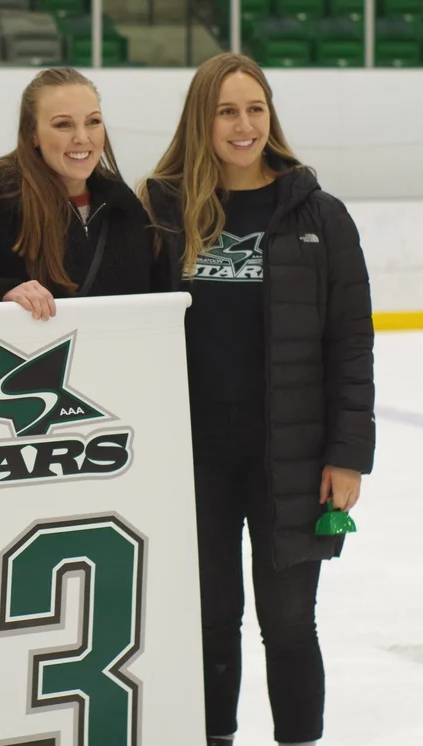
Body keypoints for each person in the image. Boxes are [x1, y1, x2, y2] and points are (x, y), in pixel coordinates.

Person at [139, 52, 375, 746]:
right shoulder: (162, 212)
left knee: (290, 623)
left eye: (254, 109)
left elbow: (350, 344)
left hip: (292, 455)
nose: (243, 125)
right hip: (196, 457)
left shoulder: (319, 215)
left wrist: (347, 455)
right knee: (211, 620)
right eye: (226, 111)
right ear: (201, 120)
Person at [0, 67, 158, 320]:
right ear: (33, 135)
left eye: (93, 122)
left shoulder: (126, 209)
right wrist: (1, 293)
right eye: (64, 124)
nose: (82, 137)